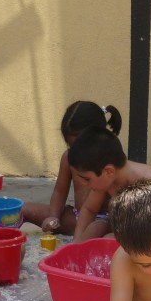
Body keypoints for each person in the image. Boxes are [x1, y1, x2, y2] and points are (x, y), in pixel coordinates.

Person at [67, 126, 151, 242]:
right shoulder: (107, 180)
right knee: (96, 227)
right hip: (136, 226)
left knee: (111, 240)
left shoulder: (149, 180)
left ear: (109, 171)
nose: (84, 184)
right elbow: (89, 210)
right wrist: (76, 242)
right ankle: (75, 254)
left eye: (87, 179)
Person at [22, 101, 122, 235]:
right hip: (76, 218)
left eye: (82, 146)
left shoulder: (110, 159)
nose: (77, 152)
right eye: (72, 146)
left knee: (97, 228)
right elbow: (59, 192)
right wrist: (53, 216)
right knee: (24, 208)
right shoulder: (69, 157)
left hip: (106, 220)